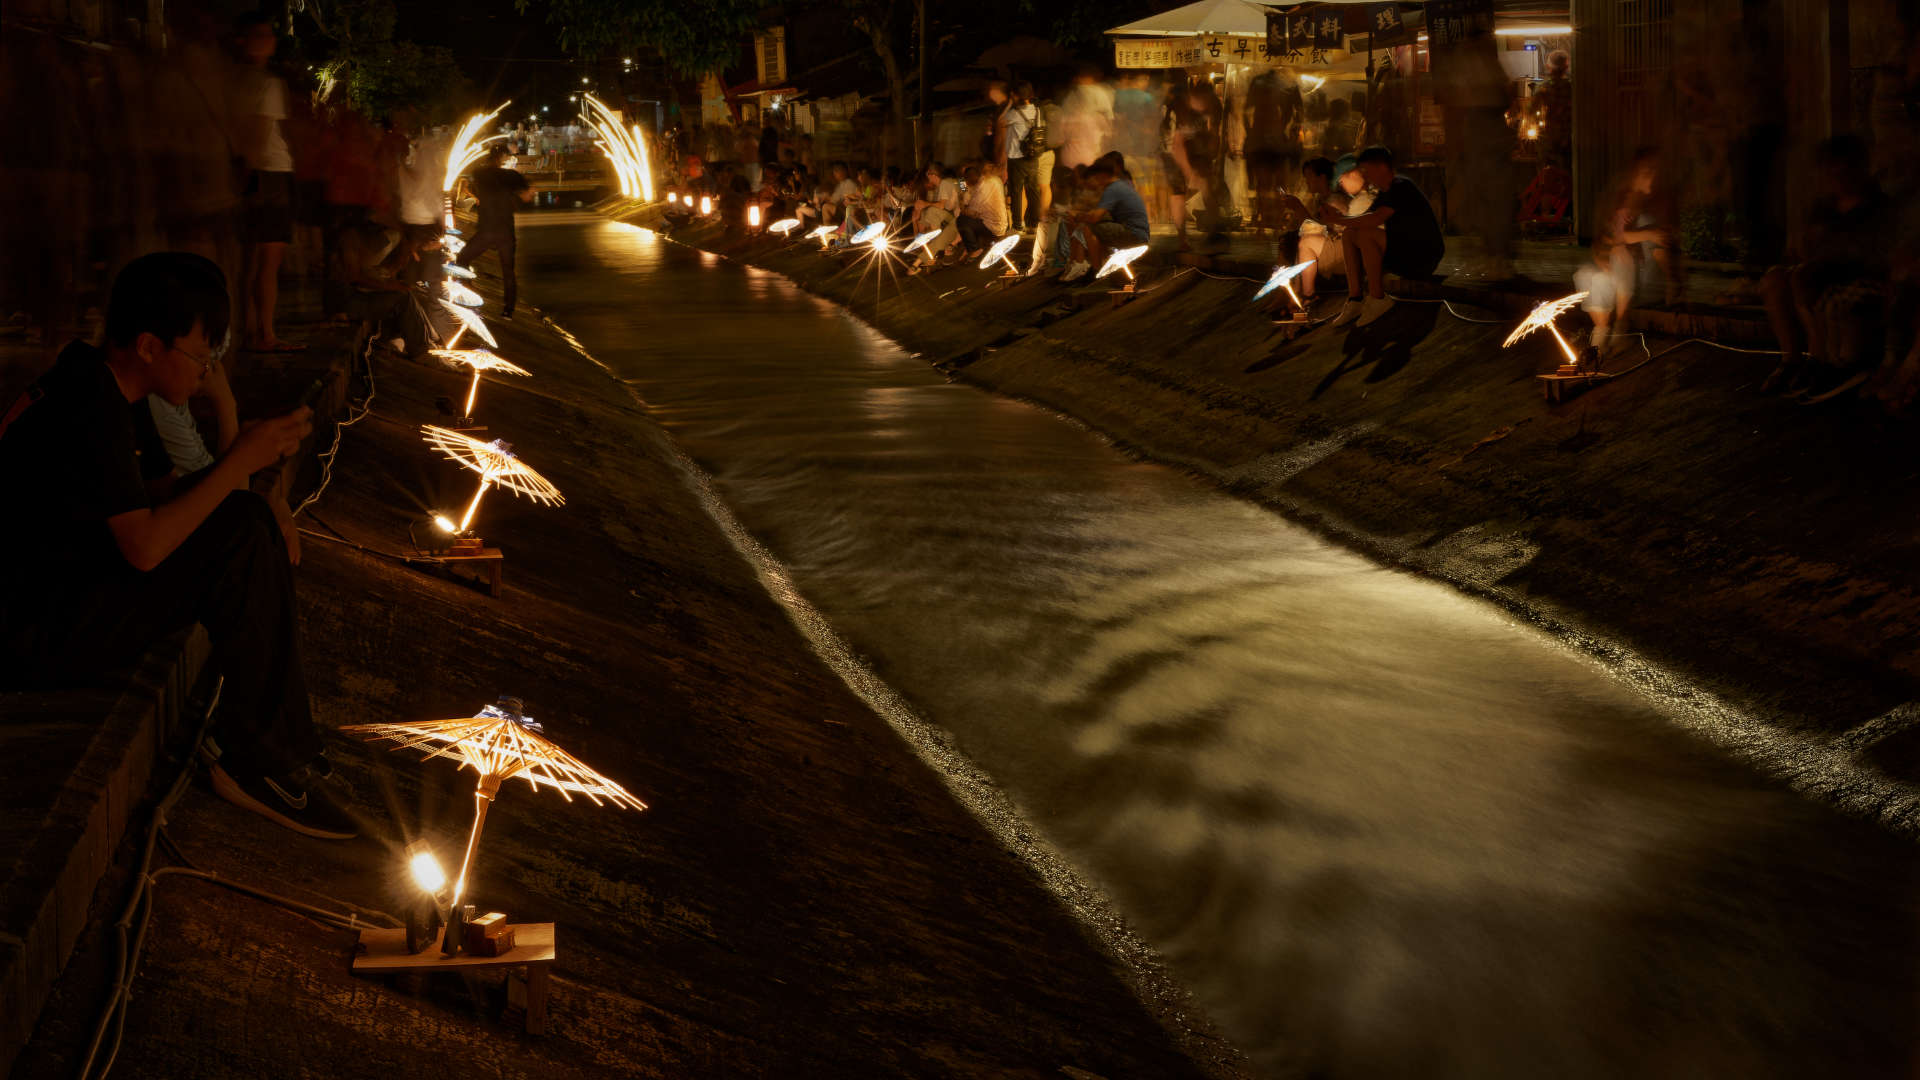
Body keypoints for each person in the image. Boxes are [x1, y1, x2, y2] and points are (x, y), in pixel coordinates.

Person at [0, 253, 357, 840]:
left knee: (246, 520)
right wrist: (242, 457)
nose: (208, 369)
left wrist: (265, 492)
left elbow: (180, 500)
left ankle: (279, 742)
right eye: (201, 354)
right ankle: (259, 756)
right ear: (147, 346)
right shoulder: (89, 404)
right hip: (37, 629)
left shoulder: (112, 388)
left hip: (72, 588)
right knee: (240, 529)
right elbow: (145, 546)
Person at [1761, 135, 1893, 393]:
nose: (1838, 178)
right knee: (1775, 280)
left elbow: (1875, 255)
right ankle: (1791, 360)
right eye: (1832, 172)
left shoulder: (1878, 206)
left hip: (1855, 275)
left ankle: (1818, 360)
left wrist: (1832, 251)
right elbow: (1809, 246)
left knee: (1804, 281)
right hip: (1820, 270)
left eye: (1845, 171)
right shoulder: (1824, 207)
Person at [232, 11, 303, 354]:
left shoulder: (231, 80)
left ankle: (245, 329)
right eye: (262, 34)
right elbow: (261, 135)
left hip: (243, 172)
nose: (269, 39)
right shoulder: (269, 84)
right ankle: (266, 334)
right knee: (268, 262)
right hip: (269, 174)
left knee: (245, 260)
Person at [1576, 148, 1682, 365]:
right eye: (1647, 171)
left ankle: (1619, 330)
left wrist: (1673, 282)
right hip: (1616, 271)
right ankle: (1600, 337)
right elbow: (1610, 238)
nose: (1653, 176)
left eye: (1655, 171)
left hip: (1641, 278)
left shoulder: (1650, 206)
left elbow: (1660, 241)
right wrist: (1603, 255)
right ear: (1635, 173)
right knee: (1590, 276)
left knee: (1621, 254)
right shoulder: (1622, 199)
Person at [1330, 145, 1445, 327]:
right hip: (1403, 251)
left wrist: (1341, 220)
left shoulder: (1401, 186)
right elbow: (1362, 219)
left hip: (1422, 256)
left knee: (1367, 234)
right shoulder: (1384, 192)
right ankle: (1355, 298)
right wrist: (1337, 220)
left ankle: (1378, 298)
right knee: (1350, 234)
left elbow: (1375, 219)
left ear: (1382, 167)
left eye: (1367, 171)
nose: (1366, 176)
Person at [454, 143, 533, 319]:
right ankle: (508, 311)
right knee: (508, 271)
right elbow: (526, 196)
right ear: (503, 158)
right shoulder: (511, 176)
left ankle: (467, 289)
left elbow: (471, 188)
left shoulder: (479, 174)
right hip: (505, 230)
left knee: (462, 258)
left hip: (486, 230)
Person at [1059, 162, 1151, 283]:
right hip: (1139, 232)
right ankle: (1098, 268)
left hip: (1134, 233)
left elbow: (1095, 217)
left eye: (1097, 178)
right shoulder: (1120, 186)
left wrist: (1077, 215)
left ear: (1103, 175)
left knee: (1089, 228)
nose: (1096, 181)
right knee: (1098, 231)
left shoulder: (1112, 189)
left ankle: (1096, 272)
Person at [999, 82, 1043, 233]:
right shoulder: (1037, 110)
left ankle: (1018, 224)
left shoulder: (1014, 113)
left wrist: (1010, 103)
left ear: (1016, 95)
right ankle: (1034, 223)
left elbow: (1000, 121)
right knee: (1033, 191)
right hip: (1033, 155)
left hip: (1016, 157)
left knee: (1016, 191)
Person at [909, 163, 962, 273]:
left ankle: (920, 261)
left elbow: (942, 205)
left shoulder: (945, 183)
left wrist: (926, 204)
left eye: (928, 175)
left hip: (958, 219)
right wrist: (916, 218)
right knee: (926, 213)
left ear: (932, 174)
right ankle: (924, 256)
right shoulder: (942, 186)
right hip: (951, 219)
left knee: (931, 211)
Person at [959, 162, 1009, 256]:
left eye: (965, 174)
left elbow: (967, 207)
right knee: (968, 218)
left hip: (994, 225)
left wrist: (963, 189)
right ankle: (968, 248)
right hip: (1001, 222)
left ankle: (974, 250)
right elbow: (966, 196)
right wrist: (963, 186)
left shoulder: (980, 187)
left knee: (962, 220)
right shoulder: (994, 179)